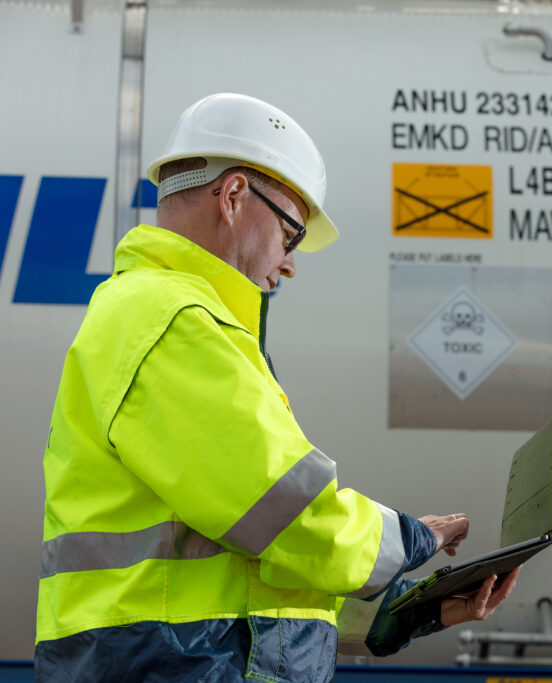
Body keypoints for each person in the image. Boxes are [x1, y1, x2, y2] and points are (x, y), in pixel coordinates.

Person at [34, 93, 520, 682]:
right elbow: (288, 514)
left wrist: (405, 613)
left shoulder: (162, 315)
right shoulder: (171, 318)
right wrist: (410, 537)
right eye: (291, 233)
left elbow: (252, 571)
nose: (290, 264)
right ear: (234, 195)